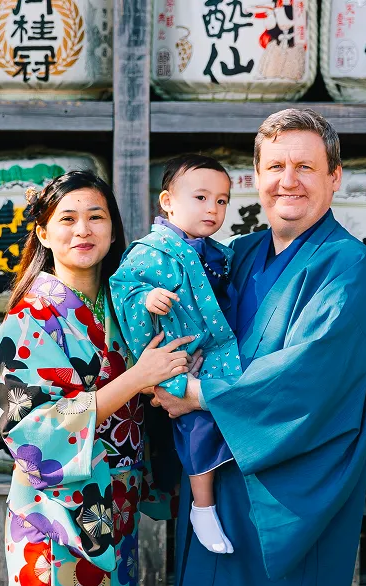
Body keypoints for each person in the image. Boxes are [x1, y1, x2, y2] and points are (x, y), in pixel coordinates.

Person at [150, 108, 366, 586]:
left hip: (285, 494)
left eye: (305, 167)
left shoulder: (348, 268)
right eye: (275, 167)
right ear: (256, 176)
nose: (289, 182)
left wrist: (194, 393)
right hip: (211, 480)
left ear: (334, 176)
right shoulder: (235, 254)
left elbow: (308, 381)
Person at [0, 171, 193, 586]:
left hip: (116, 500)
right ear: (43, 233)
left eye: (96, 217)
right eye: (67, 219)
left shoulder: (127, 304)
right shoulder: (30, 319)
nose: (83, 229)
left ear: (113, 229)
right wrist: (137, 378)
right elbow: (32, 427)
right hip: (55, 508)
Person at [110, 154, 242, 555]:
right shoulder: (150, 250)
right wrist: (145, 298)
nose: (213, 209)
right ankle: (203, 506)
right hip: (172, 354)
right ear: (167, 201)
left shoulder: (216, 250)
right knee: (196, 423)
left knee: (238, 404)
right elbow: (122, 288)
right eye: (201, 197)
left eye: (221, 201)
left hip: (213, 348)